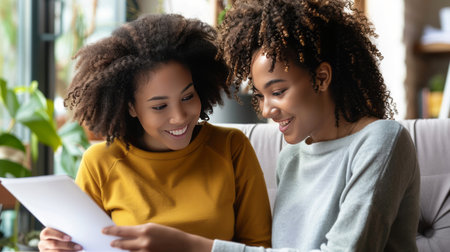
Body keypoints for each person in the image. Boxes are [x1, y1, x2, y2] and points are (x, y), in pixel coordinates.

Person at [87, 0, 420, 251]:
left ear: (321, 77)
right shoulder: (293, 156)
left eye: (278, 91)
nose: (266, 110)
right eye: (260, 96)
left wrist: (194, 246)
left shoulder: (382, 141)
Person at [38, 13, 272, 251]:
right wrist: (59, 247)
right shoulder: (99, 164)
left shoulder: (231, 148)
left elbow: (258, 246)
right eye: (159, 106)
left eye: (188, 96)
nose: (179, 116)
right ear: (131, 107)